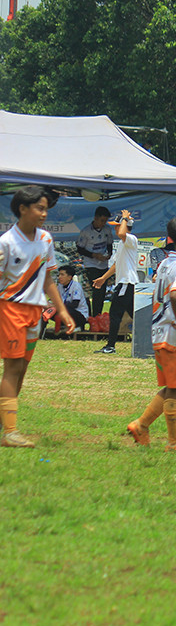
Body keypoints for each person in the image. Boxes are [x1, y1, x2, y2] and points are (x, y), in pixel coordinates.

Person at [0, 186, 74, 448]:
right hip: (10, 309)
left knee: (22, 368)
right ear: (22, 209)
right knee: (12, 368)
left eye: (45, 209)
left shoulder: (45, 239)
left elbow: (48, 278)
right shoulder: (6, 242)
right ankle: (10, 432)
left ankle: (6, 422)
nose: (44, 214)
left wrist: (62, 310)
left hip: (35, 312)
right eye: (39, 208)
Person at [126, 216, 176, 455]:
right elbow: (175, 295)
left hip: (159, 330)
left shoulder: (165, 264)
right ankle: (174, 441)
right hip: (174, 334)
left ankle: (141, 426)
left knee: (172, 386)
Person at [92, 210, 140, 354]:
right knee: (135, 315)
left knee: (114, 314)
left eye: (117, 225)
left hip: (127, 283)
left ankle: (110, 346)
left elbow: (121, 233)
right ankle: (149, 340)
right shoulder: (121, 243)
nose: (115, 228)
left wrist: (125, 218)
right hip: (125, 283)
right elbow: (115, 265)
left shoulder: (131, 239)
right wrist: (103, 278)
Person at [76, 206, 115, 317]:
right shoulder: (86, 231)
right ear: (95, 218)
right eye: (102, 220)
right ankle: (93, 316)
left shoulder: (107, 229)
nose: (103, 223)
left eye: (105, 221)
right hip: (91, 264)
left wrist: (109, 254)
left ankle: (98, 316)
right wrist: (94, 255)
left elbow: (109, 243)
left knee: (102, 292)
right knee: (96, 289)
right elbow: (79, 248)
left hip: (103, 264)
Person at [55, 265, 89, 334]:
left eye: (62, 275)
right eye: (59, 275)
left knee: (65, 309)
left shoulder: (76, 286)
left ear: (69, 277)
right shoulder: (60, 286)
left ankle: (78, 326)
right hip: (68, 310)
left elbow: (75, 304)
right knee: (50, 311)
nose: (59, 277)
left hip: (79, 314)